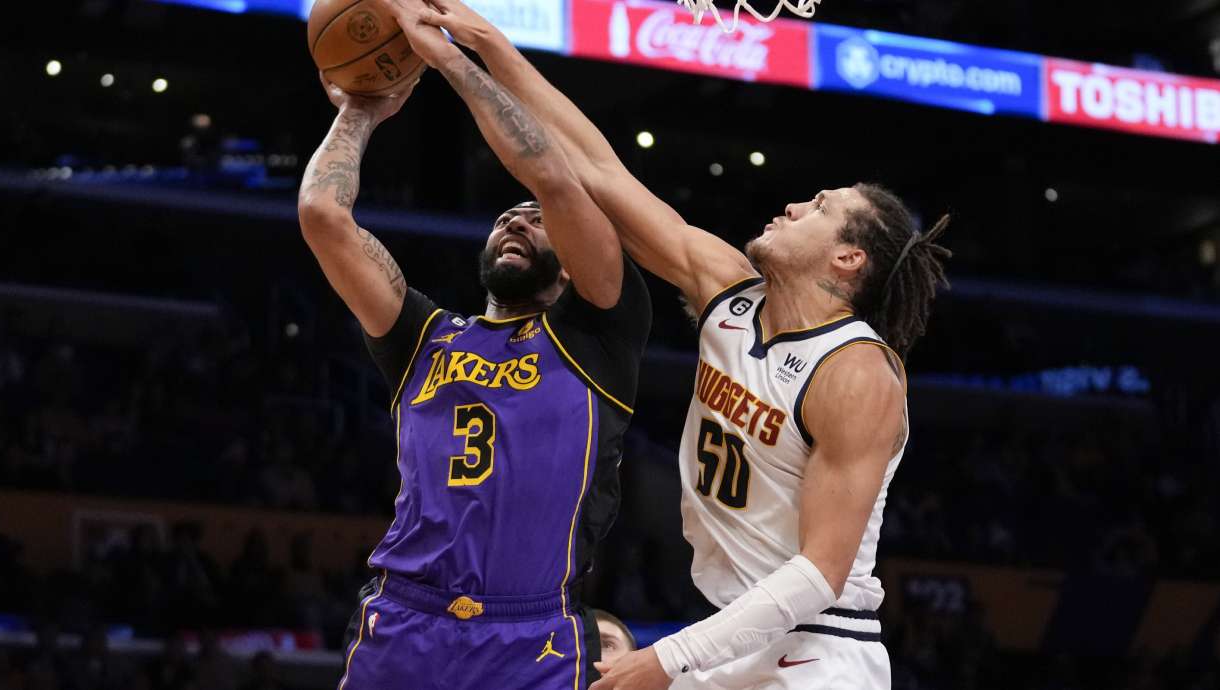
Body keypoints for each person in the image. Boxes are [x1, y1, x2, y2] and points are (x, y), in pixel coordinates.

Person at [393, 2, 951, 688]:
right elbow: (596, 168)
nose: (795, 206)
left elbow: (819, 573)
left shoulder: (858, 372)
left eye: (821, 209)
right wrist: (481, 45)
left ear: (847, 261)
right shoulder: (728, 291)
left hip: (819, 650)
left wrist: (668, 657)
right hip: (734, 631)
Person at [296, 17, 651, 688]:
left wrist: (455, 66)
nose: (516, 219)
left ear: (572, 262)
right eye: (502, 218)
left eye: (533, 219)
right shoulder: (422, 338)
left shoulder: (600, 332)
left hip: (532, 631)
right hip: (405, 619)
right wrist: (361, 111)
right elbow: (323, 218)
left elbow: (554, 179)